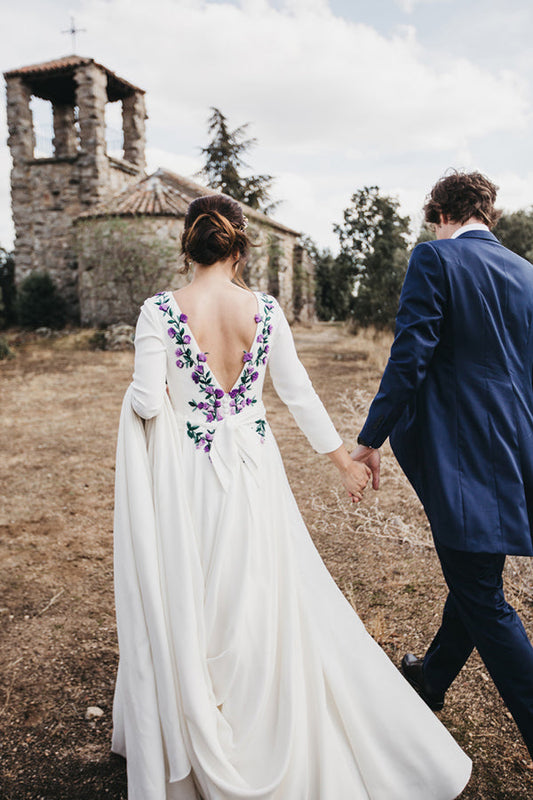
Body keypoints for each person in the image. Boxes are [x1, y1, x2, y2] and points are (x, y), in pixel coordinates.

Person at [111, 192, 471, 800]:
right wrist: (343, 460)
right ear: (242, 243)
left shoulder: (157, 311)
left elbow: (146, 400)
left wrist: (163, 402)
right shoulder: (267, 310)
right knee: (259, 587)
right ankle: (261, 710)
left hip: (191, 479)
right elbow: (298, 394)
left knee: (193, 590)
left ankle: (197, 717)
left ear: (187, 242)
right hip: (254, 470)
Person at [353, 170, 533, 761]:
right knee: (476, 571)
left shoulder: (435, 258)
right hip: (517, 452)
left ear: (440, 215)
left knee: (481, 591)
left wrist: (371, 436)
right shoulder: (527, 274)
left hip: (466, 458)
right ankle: (431, 679)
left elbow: (410, 356)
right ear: (489, 215)